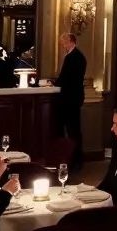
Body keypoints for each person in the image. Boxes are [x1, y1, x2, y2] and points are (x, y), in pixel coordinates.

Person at [48, 32, 86, 171]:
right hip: (71, 98)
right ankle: (72, 160)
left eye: (63, 41)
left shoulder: (75, 57)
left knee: (73, 130)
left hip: (71, 99)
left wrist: (54, 83)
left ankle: (75, 160)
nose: (61, 44)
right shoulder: (74, 56)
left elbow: (68, 78)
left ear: (70, 41)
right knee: (72, 130)